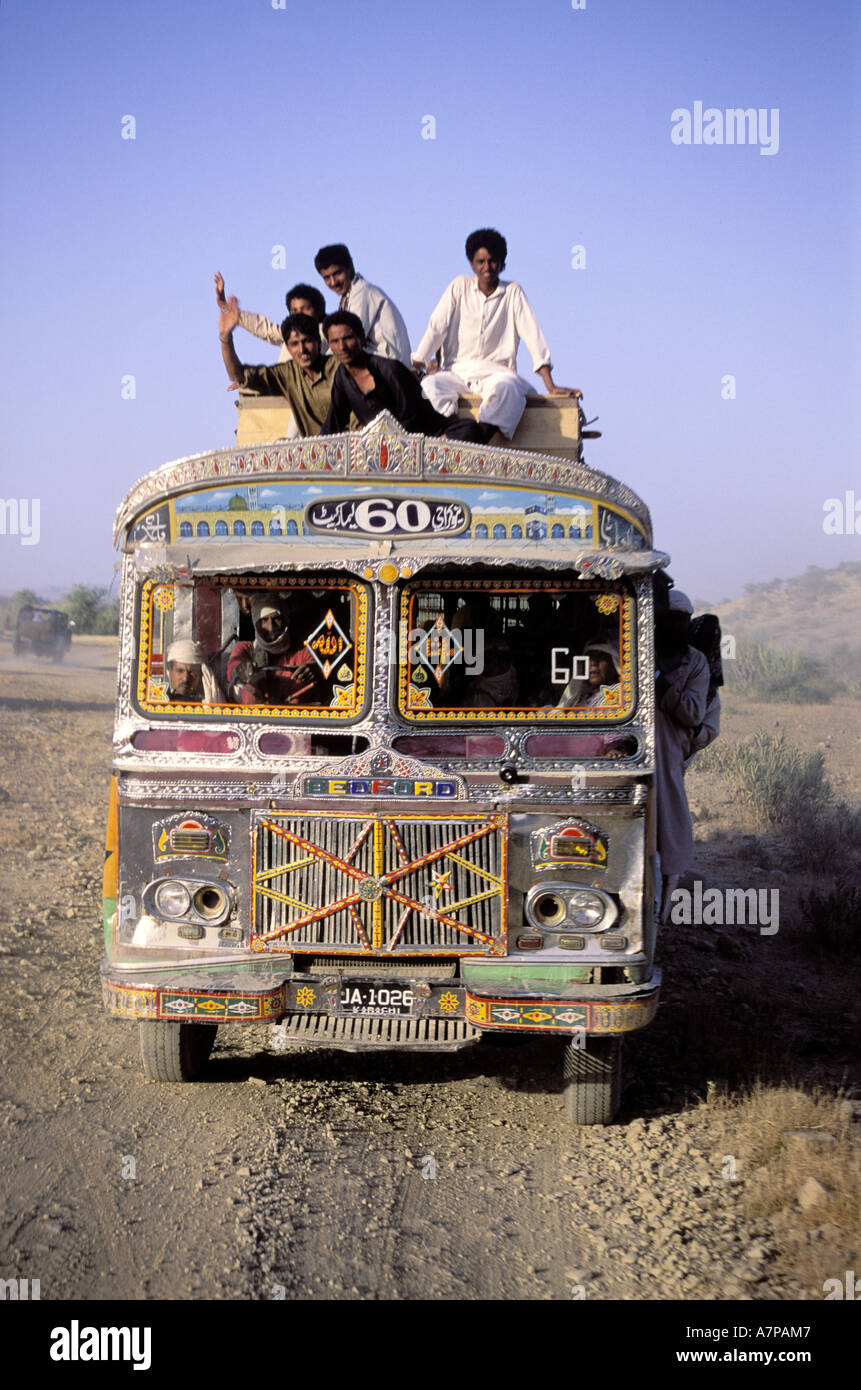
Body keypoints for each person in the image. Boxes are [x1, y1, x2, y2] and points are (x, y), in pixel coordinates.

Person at [412, 228, 581, 442]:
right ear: (472, 264)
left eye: (492, 261)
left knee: (509, 390)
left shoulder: (513, 292)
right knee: (429, 387)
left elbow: (533, 335)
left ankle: (478, 442)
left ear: (502, 263)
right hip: (456, 372)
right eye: (480, 261)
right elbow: (436, 327)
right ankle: (455, 434)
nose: (487, 267)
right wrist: (417, 365)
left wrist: (550, 385)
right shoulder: (459, 286)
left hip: (497, 374)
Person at [319, 312, 484, 441]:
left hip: (426, 437)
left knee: (469, 430)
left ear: (361, 337)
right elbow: (333, 423)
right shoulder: (342, 377)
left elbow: (413, 417)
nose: (342, 347)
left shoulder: (389, 369)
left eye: (348, 338)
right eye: (335, 341)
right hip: (383, 447)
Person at [653, 590, 710, 921]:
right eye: (669, 620)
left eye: (681, 621)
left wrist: (664, 685)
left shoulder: (696, 663)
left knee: (669, 818)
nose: (676, 627)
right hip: (633, 742)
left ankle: (667, 896)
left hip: (670, 746)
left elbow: (692, 712)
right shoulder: (640, 648)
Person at [218, 297, 337, 437]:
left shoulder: (336, 366)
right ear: (287, 347)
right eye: (294, 344)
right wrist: (226, 338)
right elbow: (237, 374)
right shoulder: (288, 374)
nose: (302, 349)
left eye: (307, 342)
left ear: (317, 340)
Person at [313, 243, 411, 365]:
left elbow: (347, 337)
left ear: (350, 266)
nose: (333, 282)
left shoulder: (362, 292)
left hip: (389, 366)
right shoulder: (349, 295)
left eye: (337, 273)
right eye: (327, 277)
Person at [226, 596, 323, 706]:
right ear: (255, 623)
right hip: (252, 721)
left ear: (286, 620)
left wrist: (313, 670)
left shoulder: (303, 651)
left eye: (276, 619)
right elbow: (232, 668)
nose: (271, 627)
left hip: (296, 720)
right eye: (264, 620)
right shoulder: (245, 649)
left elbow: (317, 667)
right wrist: (240, 670)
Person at [214, 272, 327, 363]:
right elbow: (264, 328)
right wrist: (227, 308)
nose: (299, 314)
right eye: (294, 311)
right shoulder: (290, 334)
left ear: (318, 310)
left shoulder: (327, 334)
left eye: (305, 309)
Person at [165, 639, 224, 705]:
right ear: (169, 673)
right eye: (180, 671)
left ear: (201, 676)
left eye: (192, 672)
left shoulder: (209, 706)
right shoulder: (157, 704)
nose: (185, 678)